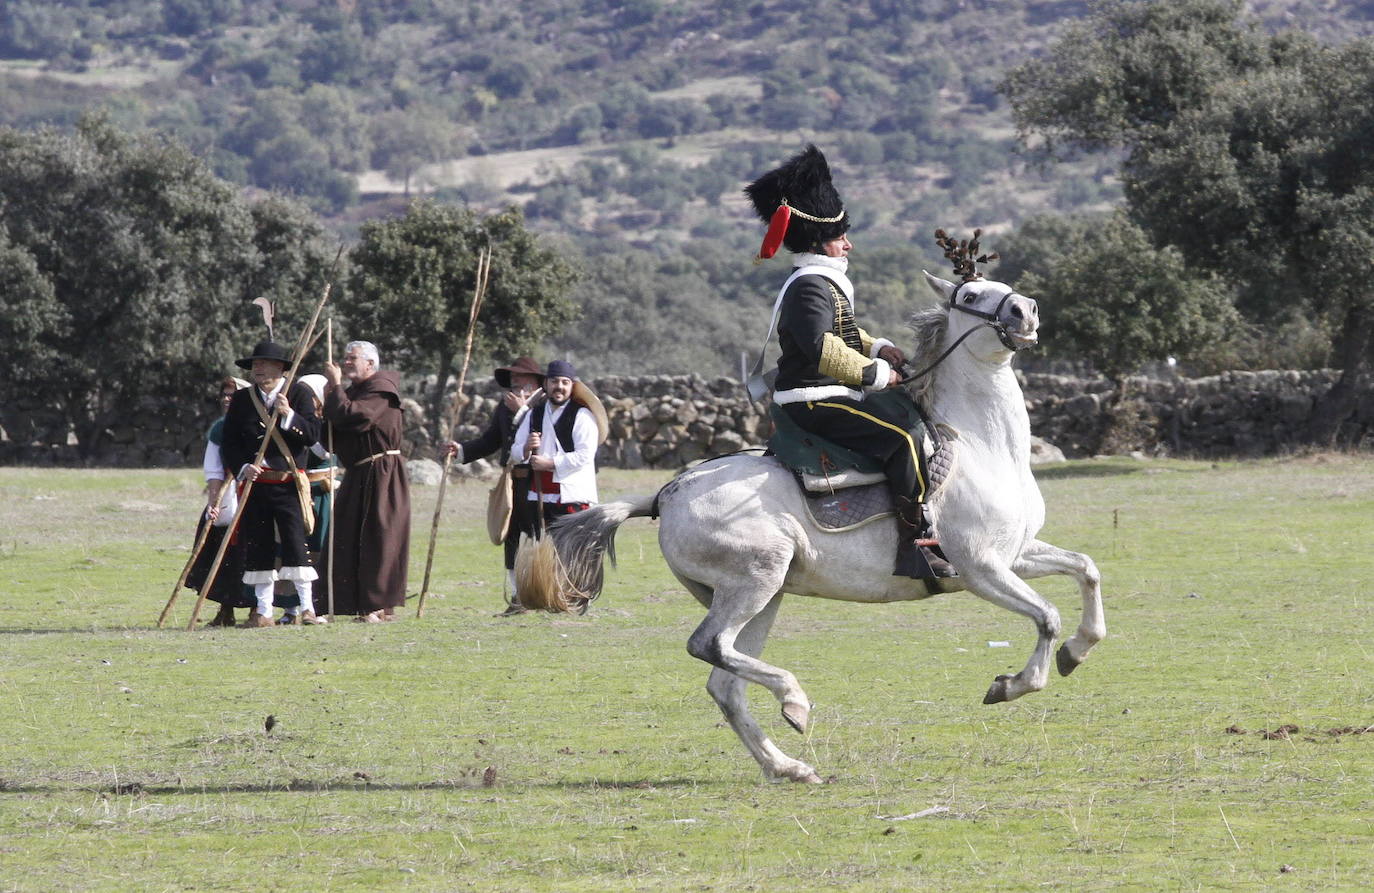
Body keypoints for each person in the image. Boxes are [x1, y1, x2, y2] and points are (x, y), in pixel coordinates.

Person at [744, 144, 953, 580]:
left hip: (831, 391)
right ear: (820, 241)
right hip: (813, 399)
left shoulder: (823, 282)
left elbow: (845, 332)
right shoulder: (809, 287)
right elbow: (823, 348)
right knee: (903, 436)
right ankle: (914, 543)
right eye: (842, 238)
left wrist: (879, 348)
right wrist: (875, 374)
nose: (848, 244)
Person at [220, 341, 323, 627]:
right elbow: (229, 443)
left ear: (280, 368)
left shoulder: (298, 394)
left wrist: (289, 415)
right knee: (259, 546)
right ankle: (264, 611)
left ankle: (307, 609)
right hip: (256, 484)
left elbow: (313, 435)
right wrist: (243, 466)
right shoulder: (243, 400)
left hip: (288, 483)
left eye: (264, 364)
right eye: (255, 364)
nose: (258, 369)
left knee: (295, 544)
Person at [444, 356, 544, 615]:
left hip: (539, 481)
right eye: (513, 379)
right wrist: (462, 450)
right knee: (511, 537)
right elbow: (491, 440)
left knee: (536, 536)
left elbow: (541, 438)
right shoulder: (504, 406)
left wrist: (523, 411)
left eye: (521, 377)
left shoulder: (544, 405)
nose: (515, 382)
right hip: (513, 480)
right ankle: (516, 597)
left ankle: (540, 594)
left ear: (534, 381)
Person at [321, 340, 411, 623]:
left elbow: (355, 416)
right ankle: (361, 603)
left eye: (352, 358)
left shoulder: (381, 390)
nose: (346, 362)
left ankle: (377, 605)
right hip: (359, 472)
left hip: (383, 473)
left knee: (379, 537)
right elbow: (332, 436)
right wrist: (331, 395)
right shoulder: (354, 392)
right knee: (350, 536)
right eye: (345, 358)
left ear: (371, 364)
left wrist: (335, 388)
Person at [509, 360, 608, 611]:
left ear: (571, 386)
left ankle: (574, 599)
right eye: (554, 382)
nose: (559, 387)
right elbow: (515, 450)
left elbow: (586, 455)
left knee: (572, 549)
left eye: (564, 383)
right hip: (539, 493)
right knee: (542, 546)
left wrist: (550, 463)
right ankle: (545, 597)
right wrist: (526, 449)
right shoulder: (534, 414)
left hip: (572, 493)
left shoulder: (583, 416)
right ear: (546, 384)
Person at [188, 375, 256, 627]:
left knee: (252, 555)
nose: (227, 399)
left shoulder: (259, 425)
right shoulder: (219, 428)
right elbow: (213, 469)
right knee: (223, 555)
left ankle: (257, 609)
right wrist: (214, 503)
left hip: (256, 495)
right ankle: (225, 609)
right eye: (224, 394)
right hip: (228, 496)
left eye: (233, 394)